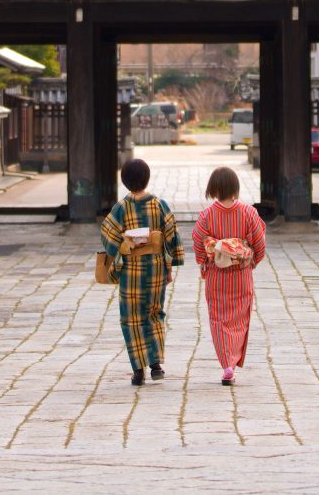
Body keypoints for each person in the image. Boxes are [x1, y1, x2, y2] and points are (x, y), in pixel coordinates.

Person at [99, 158, 184, 387]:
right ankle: (155, 364)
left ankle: (137, 369)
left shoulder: (121, 208)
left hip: (130, 271)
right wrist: (170, 265)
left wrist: (121, 250)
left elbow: (108, 234)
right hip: (155, 268)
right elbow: (171, 235)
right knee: (154, 313)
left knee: (131, 318)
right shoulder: (159, 205)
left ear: (124, 182)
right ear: (147, 179)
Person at [191, 165, 266, 386]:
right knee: (240, 318)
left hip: (217, 276)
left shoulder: (206, 216)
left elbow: (198, 243)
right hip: (240, 276)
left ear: (213, 189)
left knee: (218, 319)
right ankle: (232, 363)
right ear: (235, 187)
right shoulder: (248, 213)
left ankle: (226, 365)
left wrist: (206, 263)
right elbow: (259, 244)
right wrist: (249, 261)